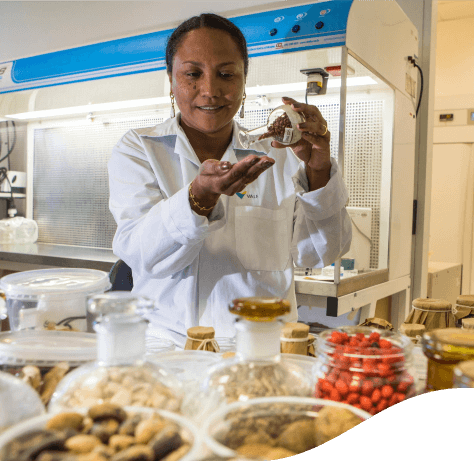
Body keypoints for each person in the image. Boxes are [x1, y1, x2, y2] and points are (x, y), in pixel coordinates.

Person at [108, 13, 352, 346]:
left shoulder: (277, 153)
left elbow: (319, 253)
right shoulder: (140, 148)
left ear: (243, 82)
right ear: (170, 79)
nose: (210, 90)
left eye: (226, 74)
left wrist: (319, 173)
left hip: (261, 345)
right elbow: (140, 253)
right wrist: (198, 198)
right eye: (193, 74)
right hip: (167, 346)